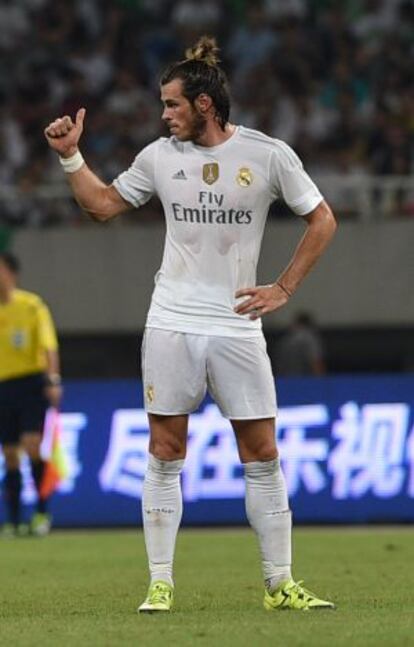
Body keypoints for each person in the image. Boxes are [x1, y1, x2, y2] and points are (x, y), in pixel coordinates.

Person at [44, 36, 337, 611]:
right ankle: (160, 583)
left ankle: (281, 585)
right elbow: (102, 206)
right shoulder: (159, 157)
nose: (163, 115)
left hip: (236, 325)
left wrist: (283, 288)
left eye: (172, 104)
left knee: (263, 454)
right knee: (164, 448)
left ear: (204, 104)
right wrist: (70, 158)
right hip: (171, 320)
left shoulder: (266, 154)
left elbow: (322, 219)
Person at [0, 251, 62, 537]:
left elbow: (49, 346)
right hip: (3, 387)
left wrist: (53, 380)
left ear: (12, 274)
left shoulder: (32, 306)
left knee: (32, 445)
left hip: (30, 384)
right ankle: (13, 520)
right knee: (10, 454)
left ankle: (41, 512)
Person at [277, 311, 326, 376]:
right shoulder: (309, 338)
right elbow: (316, 361)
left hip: (283, 379)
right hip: (304, 380)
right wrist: (321, 381)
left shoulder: (286, 338)